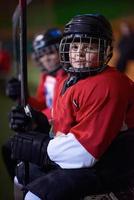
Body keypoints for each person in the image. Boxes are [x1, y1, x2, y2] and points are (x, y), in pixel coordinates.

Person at [9, 14, 134, 200]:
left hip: (113, 166)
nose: (79, 53)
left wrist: (41, 148)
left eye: (89, 47)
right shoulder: (71, 79)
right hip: (91, 158)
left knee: (35, 196)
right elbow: (60, 120)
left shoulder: (109, 85)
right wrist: (36, 119)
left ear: (105, 50)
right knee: (21, 175)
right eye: (75, 46)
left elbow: (85, 153)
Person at [2, 28, 66, 181]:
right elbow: (41, 104)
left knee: (15, 149)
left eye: (50, 53)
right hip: (48, 127)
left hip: (59, 133)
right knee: (9, 148)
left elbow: (59, 110)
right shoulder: (46, 77)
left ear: (63, 51)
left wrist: (32, 114)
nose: (46, 59)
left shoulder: (67, 77)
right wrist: (22, 96)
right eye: (41, 55)